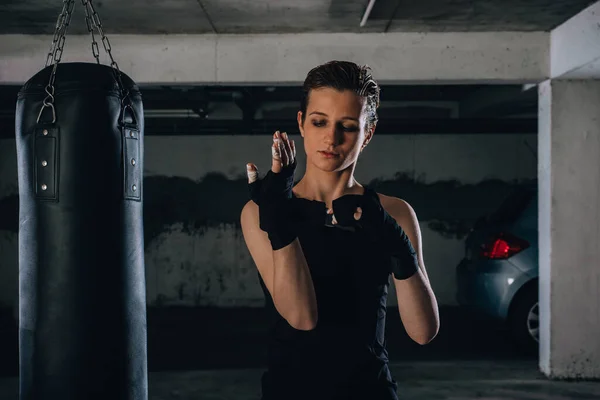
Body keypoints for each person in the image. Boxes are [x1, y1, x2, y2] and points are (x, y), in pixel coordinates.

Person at [240, 61, 439, 400]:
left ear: (368, 134)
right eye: (319, 122)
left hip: (369, 390)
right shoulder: (261, 209)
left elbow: (423, 332)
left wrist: (399, 247)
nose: (331, 138)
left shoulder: (393, 212)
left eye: (347, 126)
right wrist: (278, 217)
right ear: (302, 123)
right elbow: (301, 316)